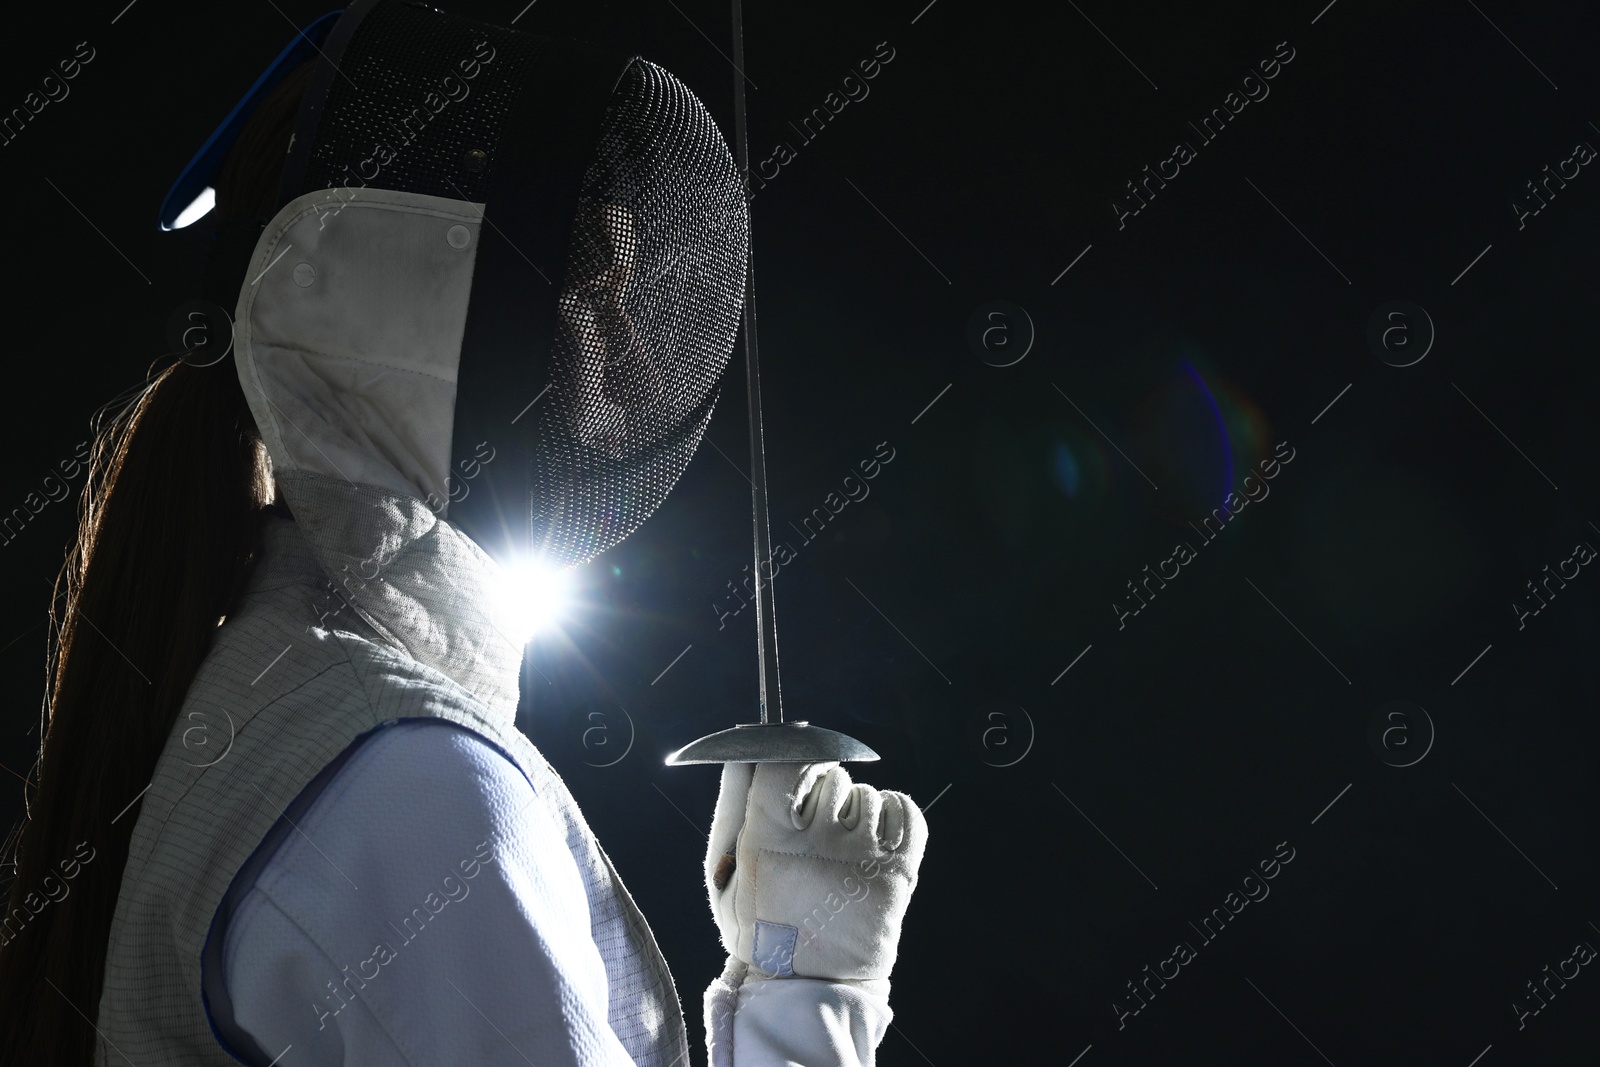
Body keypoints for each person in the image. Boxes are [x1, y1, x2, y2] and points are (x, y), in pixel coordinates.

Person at [0, 5, 927, 1066]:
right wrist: (811, 1004)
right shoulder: (416, 790)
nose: (624, 337)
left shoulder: (274, 696)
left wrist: (793, 981)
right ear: (409, 309)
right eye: (588, 290)